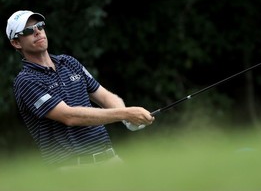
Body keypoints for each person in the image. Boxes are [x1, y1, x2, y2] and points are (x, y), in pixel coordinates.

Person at [6, 10, 155, 168]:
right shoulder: (26, 81)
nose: (37, 31)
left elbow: (105, 96)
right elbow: (69, 116)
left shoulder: (69, 62)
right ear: (17, 43)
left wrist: (127, 119)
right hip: (72, 168)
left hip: (110, 158)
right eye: (29, 30)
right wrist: (125, 114)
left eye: (40, 26)